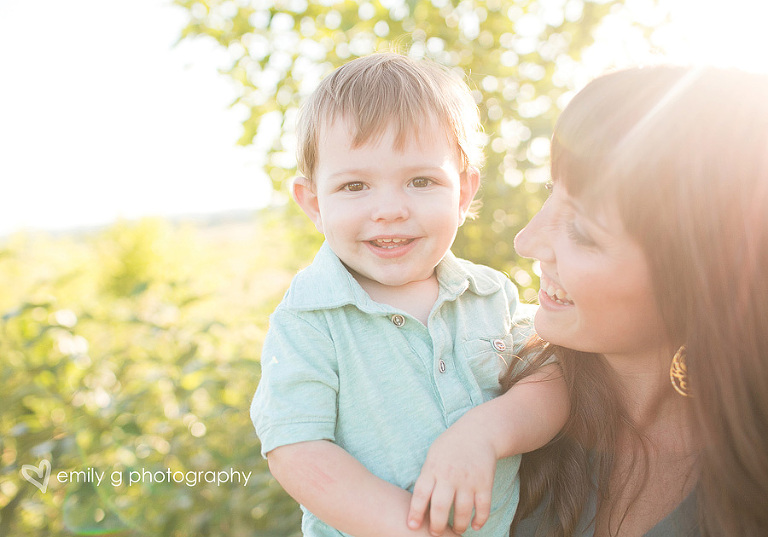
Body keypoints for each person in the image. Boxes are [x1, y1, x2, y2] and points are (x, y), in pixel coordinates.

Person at [250, 52, 569, 537]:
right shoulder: (310, 319)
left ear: (462, 195)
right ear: (314, 203)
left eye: (421, 181)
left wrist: (482, 434)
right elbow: (297, 449)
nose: (390, 209)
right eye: (355, 185)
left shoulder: (490, 295)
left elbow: (550, 382)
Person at [503, 65, 768, 536]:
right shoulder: (476, 386)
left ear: (698, 279)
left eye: (583, 231)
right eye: (550, 193)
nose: (527, 241)